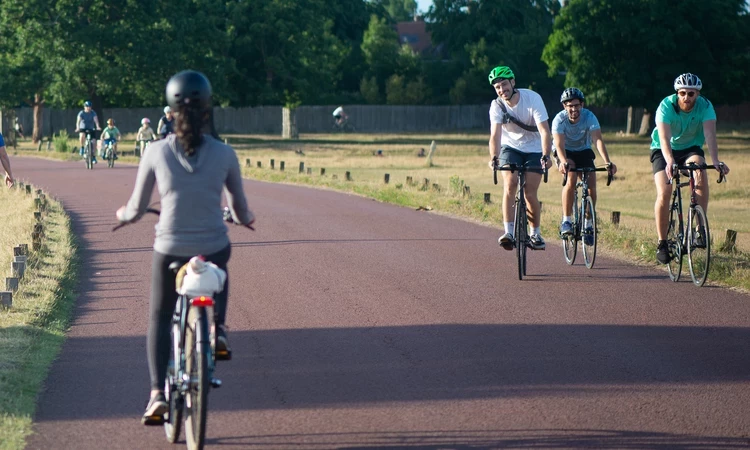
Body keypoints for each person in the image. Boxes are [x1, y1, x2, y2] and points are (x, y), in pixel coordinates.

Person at [115, 70, 255, 425]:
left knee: (160, 317)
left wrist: (125, 215)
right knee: (220, 262)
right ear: (207, 108)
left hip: (170, 248)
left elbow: (135, 206)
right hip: (212, 246)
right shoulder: (225, 153)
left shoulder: (155, 151)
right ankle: (218, 329)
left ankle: (157, 395)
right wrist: (243, 218)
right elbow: (240, 208)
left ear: (170, 110)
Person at [651, 73, 730, 264]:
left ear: (698, 94)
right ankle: (662, 242)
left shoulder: (705, 106)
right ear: (677, 93)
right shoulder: (666, 106)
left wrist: (716, 160)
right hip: (663, 150)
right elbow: (663, 138)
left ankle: (698, 229)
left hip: (691, 149)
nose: (687, 97)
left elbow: (710, 134)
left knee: (700, 172)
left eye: (691, 94)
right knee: (665, 191)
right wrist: (670, 161)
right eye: (683, 93)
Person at [487, 65, 552, 251]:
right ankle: (508, 232)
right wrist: (494, 157)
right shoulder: (496, 106)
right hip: (511, 147)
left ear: (513, 82)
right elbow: (495, 135)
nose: (502, 90)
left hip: (534, 147)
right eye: (497, 87)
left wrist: (546, 154)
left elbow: (544, 131)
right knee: (510, 184)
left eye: (504, 84)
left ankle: (535, 233)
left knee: (529, 192)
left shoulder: (532, 98)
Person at [552, 88, 617, 244]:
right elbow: (559, 145)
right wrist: (563, 162)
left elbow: (597, 140)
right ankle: (566, 220)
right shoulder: (559, 120)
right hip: (565, 151)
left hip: (583, 149)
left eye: (576, 105)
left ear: (582, 104)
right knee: (571, 177)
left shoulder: (589, 117)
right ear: (564, 107)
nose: (574, 109)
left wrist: (608, 161)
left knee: (591, 186)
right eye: (570, 106)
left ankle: (588, 223)